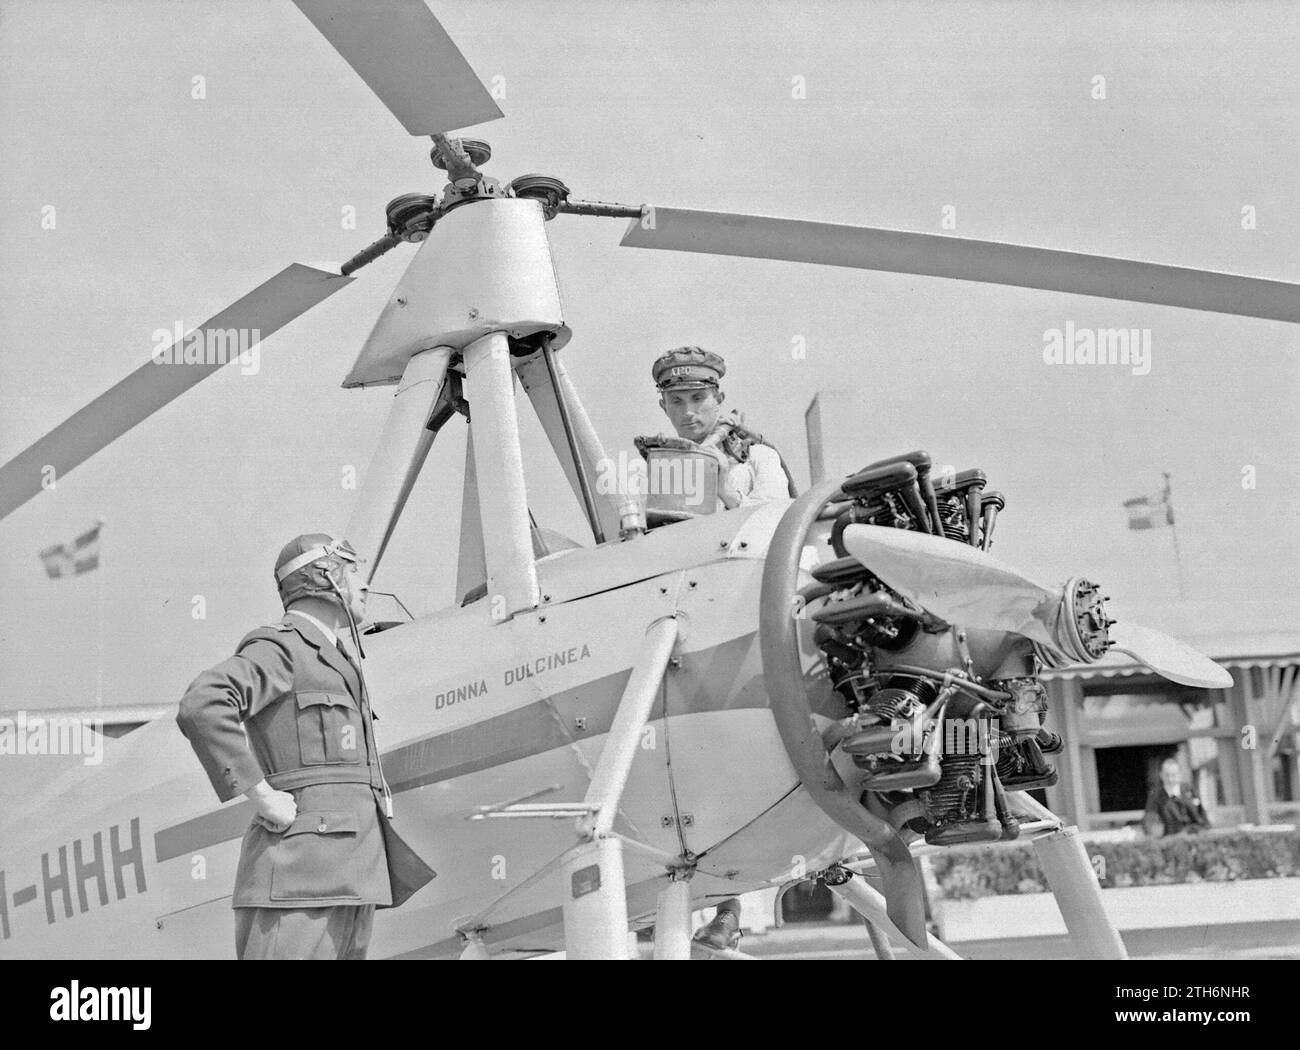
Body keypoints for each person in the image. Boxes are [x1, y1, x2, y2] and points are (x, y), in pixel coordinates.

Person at [176, 533, 436, 959]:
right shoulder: (284, 647)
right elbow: (203, 703)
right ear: (324, 577)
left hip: (353, 873)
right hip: (299, 875)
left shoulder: (334, 656)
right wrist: (262, 796)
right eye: (353, 571)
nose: (364, 584)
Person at [649, 346, 796, 511]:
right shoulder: (657, 470)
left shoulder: (759, 458)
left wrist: (725, 490)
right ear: (664, 407)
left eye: (697, 398)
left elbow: (776, 519)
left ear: (718, 399)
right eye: (677, 401)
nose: (688, 411)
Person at [1143, 757, 1211, 837]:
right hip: (1170, 840)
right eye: (1167, 775)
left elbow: (1202, 816)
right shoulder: (1156, 796)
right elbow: (1149, 820)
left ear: (1179, 774)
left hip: (1194, 837)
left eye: (1173, 775)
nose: (1170, 779)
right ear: (1161, 775)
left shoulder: (1188, 790)